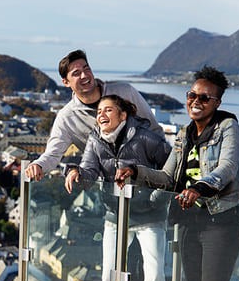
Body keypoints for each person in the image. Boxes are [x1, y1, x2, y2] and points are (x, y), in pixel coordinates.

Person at [117, 66, 239, 281]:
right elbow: (168, 177)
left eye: (205, 97)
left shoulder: (228, 126)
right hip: (191, 223)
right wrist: (135, 172)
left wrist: (201, 187)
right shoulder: (185, 134)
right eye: (192, 95)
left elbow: (227, 167)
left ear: (217, 101)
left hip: (222, 221)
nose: (196, 101)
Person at [65, 95, 172, 281]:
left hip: (150, 215)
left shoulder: (147, 138)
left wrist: (155, 198)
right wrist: (75, 171)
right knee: (109, 278)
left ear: (123, 115)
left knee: (154, 277)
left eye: (108, 110)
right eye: (99, 111)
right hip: (117, 214)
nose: (101, 115)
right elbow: (90, 171)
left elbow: (172, 172)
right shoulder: (95, 139)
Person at [24, 49, 161, 182]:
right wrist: (38, 165)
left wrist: (161, 178)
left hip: (146, 183)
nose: (84, 75)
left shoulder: (125, 92)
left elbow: (155, 130)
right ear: (66, 82)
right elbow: (53, 154)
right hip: (109, 191)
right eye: (76, 73)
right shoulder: (67, 117)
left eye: (86, 68)